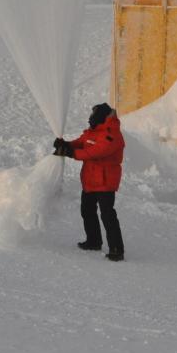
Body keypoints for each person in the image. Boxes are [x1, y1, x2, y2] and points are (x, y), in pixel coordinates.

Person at [54, 102, 126, 261]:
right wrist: (66, 144)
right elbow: (81, 143)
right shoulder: (93, 132)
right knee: (87, 211)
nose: (90, 118)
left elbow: (96, 151)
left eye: (93, 115)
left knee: (107, 215)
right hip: (90, 180)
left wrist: (71, 153)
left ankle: (116, 249)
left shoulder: (112, 134)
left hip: (105, 181)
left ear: (100, 116)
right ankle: (94, 241)